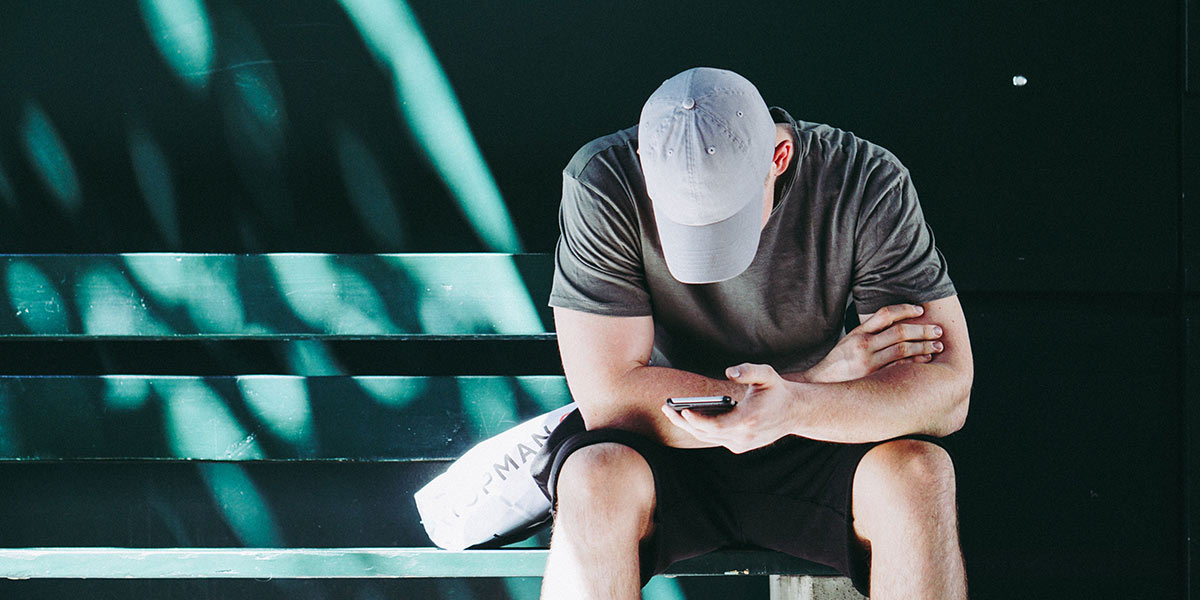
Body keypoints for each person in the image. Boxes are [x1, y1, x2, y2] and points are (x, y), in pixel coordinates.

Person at [533, 67, 972, 599]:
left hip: (825, 435)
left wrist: (796, 406)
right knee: (593, 478)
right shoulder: (603, 180)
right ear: (647, 165)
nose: (709, 247)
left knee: (920, 476)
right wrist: (807, 382)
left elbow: (946, 394)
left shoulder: (864, 178)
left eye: (728, 220)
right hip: (669, 438)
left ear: (778, 158)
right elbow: (610, 398)